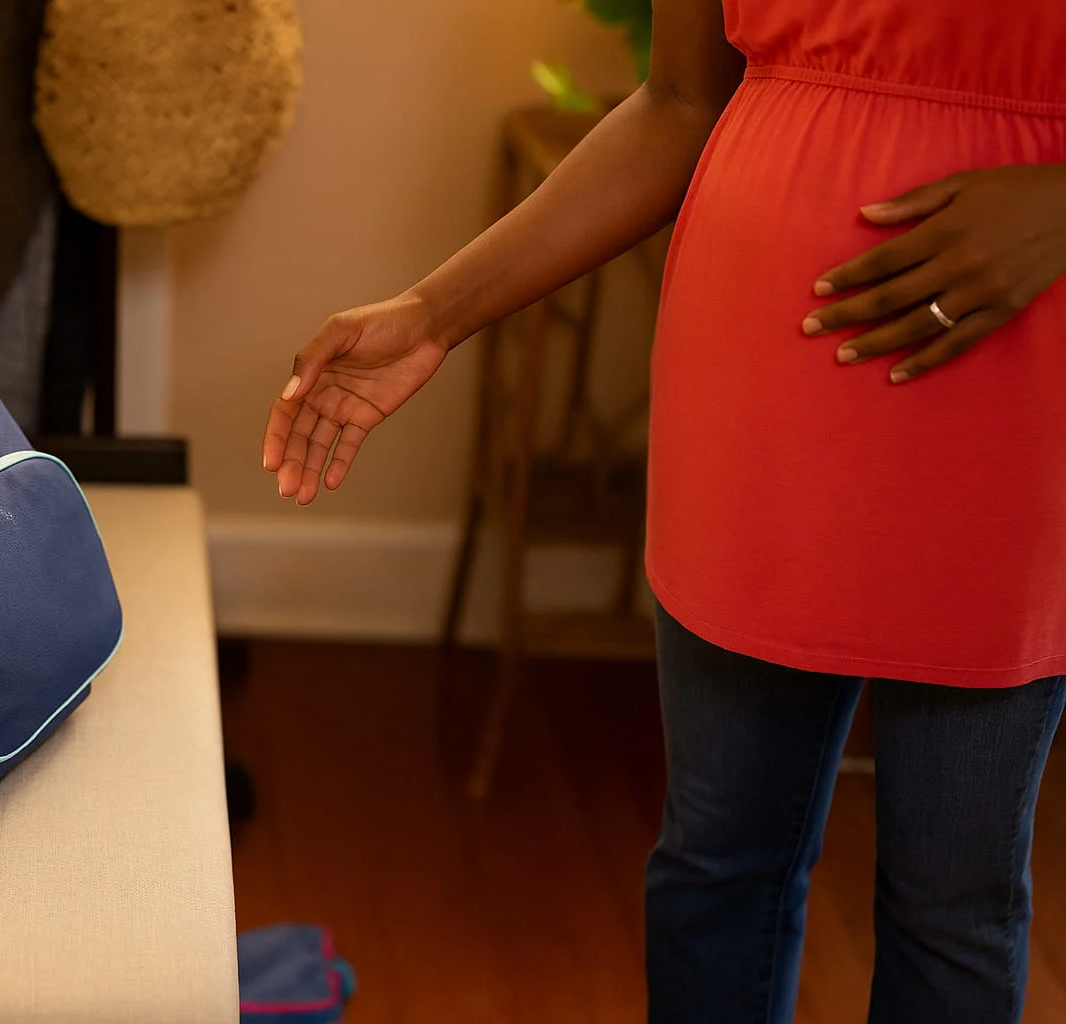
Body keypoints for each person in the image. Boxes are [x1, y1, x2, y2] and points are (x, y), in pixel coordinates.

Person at [260, 2, 1066, 1021]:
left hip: (1013, 378)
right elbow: (680, 102)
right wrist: (434, 313)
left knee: (956, 905)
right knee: (715, 865)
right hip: (758, 378)